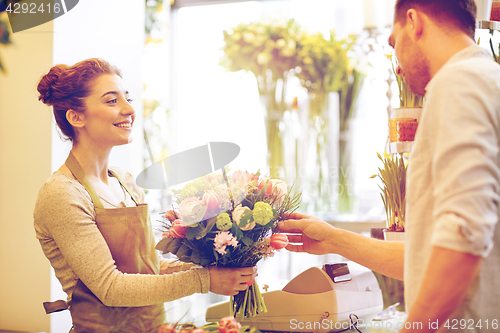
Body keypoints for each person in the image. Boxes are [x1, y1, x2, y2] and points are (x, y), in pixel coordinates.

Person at [279, 1, 500, 332]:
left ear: (414, 22)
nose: (397, 67)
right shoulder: (487, 78)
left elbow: (462, 235)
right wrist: (333, 239)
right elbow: (432, 255)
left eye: (394, 43)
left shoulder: (456, 84)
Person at [34, 58, 257, 332]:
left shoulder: (125, 181)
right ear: (76, 117)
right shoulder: (62, 193)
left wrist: (221, 268)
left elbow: (150, 266)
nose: (129, 109)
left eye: (126, 98)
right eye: (111, 101)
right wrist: (204, 281)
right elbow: (110, 287)